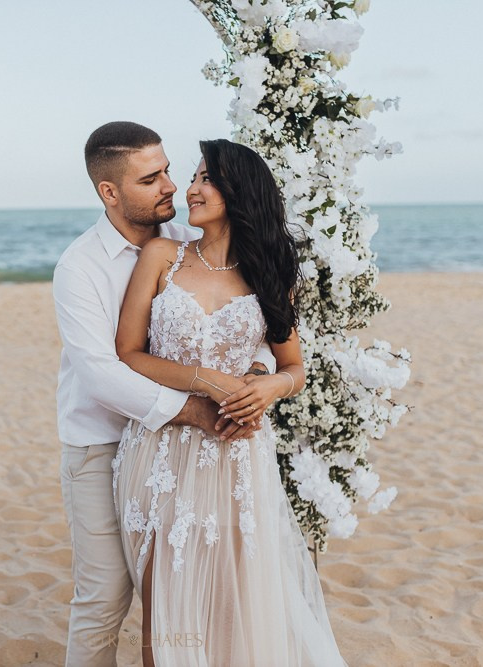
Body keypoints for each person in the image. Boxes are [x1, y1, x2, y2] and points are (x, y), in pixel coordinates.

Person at [112, 139, 346, 666]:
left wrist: (268, 386)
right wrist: (206, 380)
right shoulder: (162, 256)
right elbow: (128, 354)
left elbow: (295, 370)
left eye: (206, 179)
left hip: (237, 458)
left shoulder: (268, 273)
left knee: (231, 598)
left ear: (239, 192)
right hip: (161, 453)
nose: (191, 189)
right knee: (165, 606)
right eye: (193, 177)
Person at [53, 122, 276, 666]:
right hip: (100, 445)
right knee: (105, 598)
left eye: (169, 170)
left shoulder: (182, 244)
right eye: (151, 179)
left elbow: (242, 323)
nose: (172, 187)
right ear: (110, 192)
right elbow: (104, 372)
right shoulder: (79, 268)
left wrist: (254, 373)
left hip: (187, 451)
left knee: (195, 590)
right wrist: (198, 408)